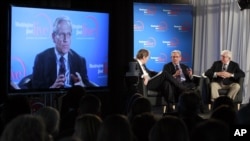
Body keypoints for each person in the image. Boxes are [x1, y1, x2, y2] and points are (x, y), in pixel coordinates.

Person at [32, 16, 94, 89]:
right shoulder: (41, 59)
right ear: (53, 37)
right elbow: (35, 87)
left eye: (68, 34)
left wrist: (82, 86)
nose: (66, 39)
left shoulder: (80, 60)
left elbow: (87, 87)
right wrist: (51, 89)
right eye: (62, 34)